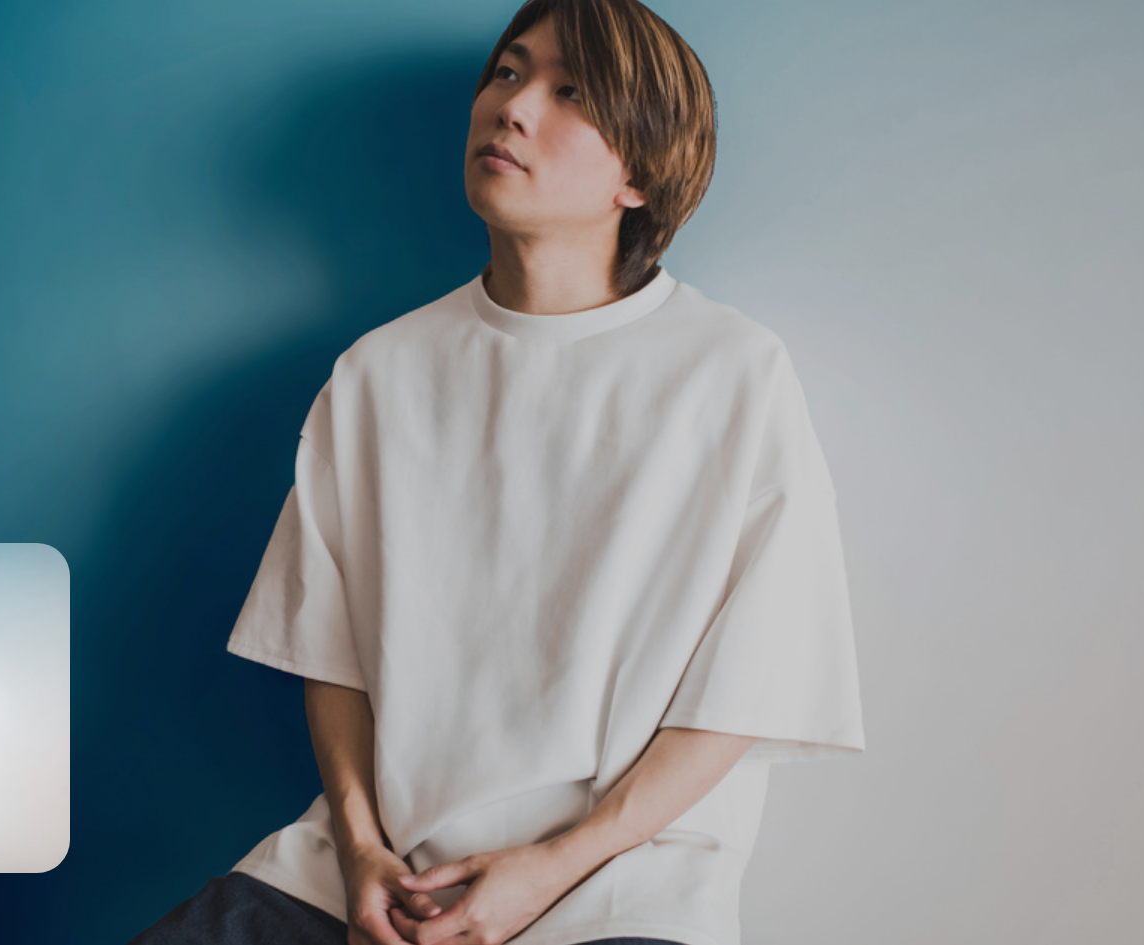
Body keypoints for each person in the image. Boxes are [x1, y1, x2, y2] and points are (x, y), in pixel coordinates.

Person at [132, 0, 865, 942]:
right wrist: (360, 852)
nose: (513, 106)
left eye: (572, 93)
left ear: (640, 175)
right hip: (369, 872)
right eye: (509, 72)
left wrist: (552, 869)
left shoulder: (732, 372)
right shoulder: (379, 372)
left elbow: (756, 679)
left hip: (620, 881)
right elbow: (330, 652)